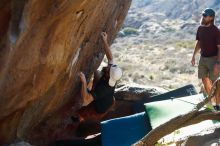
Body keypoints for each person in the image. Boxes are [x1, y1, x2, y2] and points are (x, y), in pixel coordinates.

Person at [72, 32, 122, 122]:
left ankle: (80, 118)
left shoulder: (103, 89)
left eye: (109, 68)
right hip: (109, 100)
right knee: (97, 74)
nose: (109, 66)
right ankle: (90, 90)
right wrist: (104, 41)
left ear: (108, 74)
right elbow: (110, 58)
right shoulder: (112, 75)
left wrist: (84, 82)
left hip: (99, 108)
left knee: (84, 111)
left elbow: (86, 100)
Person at [191, 8, 220, 110]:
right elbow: (199, 42)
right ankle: (210, 102)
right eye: (203, 15)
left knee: (215, 82)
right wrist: (194, 55)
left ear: (211, 18)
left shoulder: (216, 31)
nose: (203, 17)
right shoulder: (200, 28)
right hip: (203, 58)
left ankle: (218, 105)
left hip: (213, 59)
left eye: (205, 16)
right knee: (204, 80)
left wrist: (217, 63)